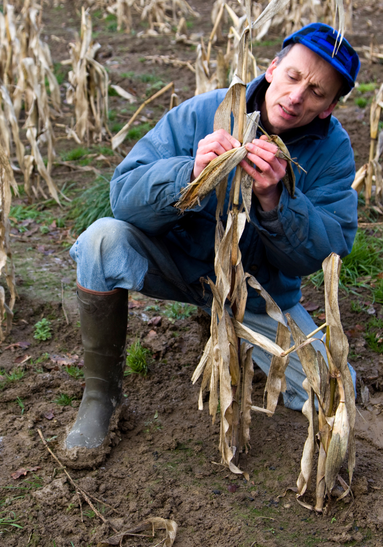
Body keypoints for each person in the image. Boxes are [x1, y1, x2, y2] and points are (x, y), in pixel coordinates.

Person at [65, 23, 361, 451]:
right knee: (101, 240)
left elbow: (322, 252)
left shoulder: (333, 152)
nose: (297, 96)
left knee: (336, 391)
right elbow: (123, 196)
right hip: (176, 264)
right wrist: (189, 175)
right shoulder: (205, 112)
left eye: (316, 92)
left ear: (329, 107)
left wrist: (275, 202)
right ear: (272, 68)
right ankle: (99, 399)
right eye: (293, 76)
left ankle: (239, 331)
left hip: (256, 296)